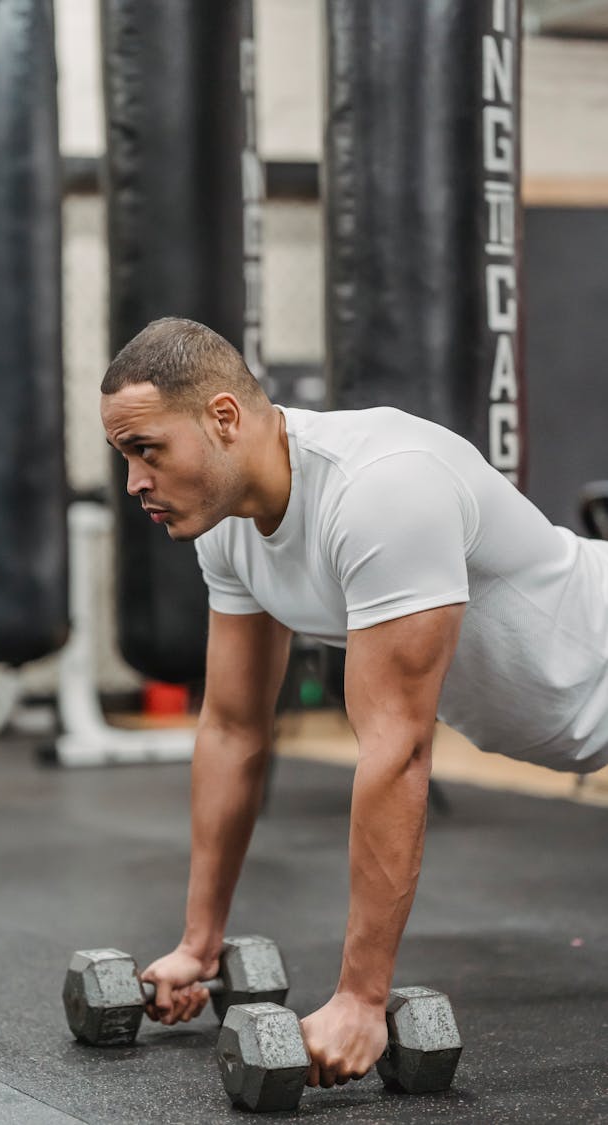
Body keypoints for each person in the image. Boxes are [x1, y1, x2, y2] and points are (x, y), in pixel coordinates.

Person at [100, 316, 608, 1089]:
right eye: (125, 457)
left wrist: (362, 998)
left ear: (224, 418)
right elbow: (234, 729)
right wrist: (200, 945)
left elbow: (397, 749)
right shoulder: (227, 528)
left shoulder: (382, 488)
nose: (135, 482)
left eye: (147, 450)